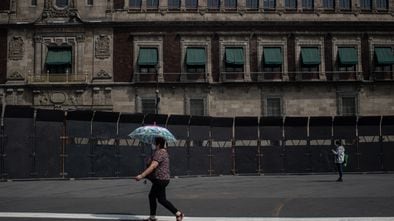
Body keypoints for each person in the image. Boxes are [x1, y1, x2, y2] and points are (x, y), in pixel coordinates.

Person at [135, 137, 184, 221]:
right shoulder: (162, 152)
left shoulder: (159, 153)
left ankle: (178, 213)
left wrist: (142, 175)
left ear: (158, 144)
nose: (153, 145)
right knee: (155, 197)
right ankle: (155, 216)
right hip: (163, 179)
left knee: (160, 199)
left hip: (160, 180)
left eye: (154, 143)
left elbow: (153, 166)